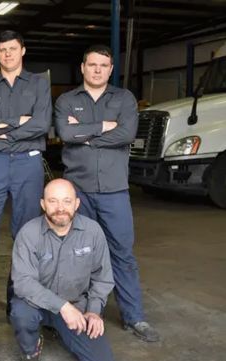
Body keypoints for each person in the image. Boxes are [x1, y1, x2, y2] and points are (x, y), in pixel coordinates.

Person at [55, 45, 160, 342]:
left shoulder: (124, 99)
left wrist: (86, 136)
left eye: (104, 65)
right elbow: (65, 134)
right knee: (78, 254)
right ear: (83, 67)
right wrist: (104, 127)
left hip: (114, 191)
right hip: (78, 193)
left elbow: (127, 134)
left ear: (111, 69)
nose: (97, 70)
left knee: (122, 254)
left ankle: (134, 317)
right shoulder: (66, 100)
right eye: (92, 64)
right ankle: (80, 312)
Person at [0, 30, 52, 320]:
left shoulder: (38, 85)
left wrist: (2, 130)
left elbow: (42, 124)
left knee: (26, 233)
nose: (7, 54)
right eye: (2, 50)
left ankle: (17, 301)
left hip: (27, 164)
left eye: (12, 48)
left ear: (23, 50)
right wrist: (19, 123)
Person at [10, 179, 115, 361]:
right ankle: (30, 348)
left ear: (77, 204)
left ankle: (61, 329)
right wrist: (62, 307)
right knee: (21, 313)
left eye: (67, 201)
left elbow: (103, 277)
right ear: (42, 204)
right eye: (53, 201)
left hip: (77, 306)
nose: (60, 208)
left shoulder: (93, 232)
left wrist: (93, 310)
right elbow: (23, 283)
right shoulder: (29, 233)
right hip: (36, 304)